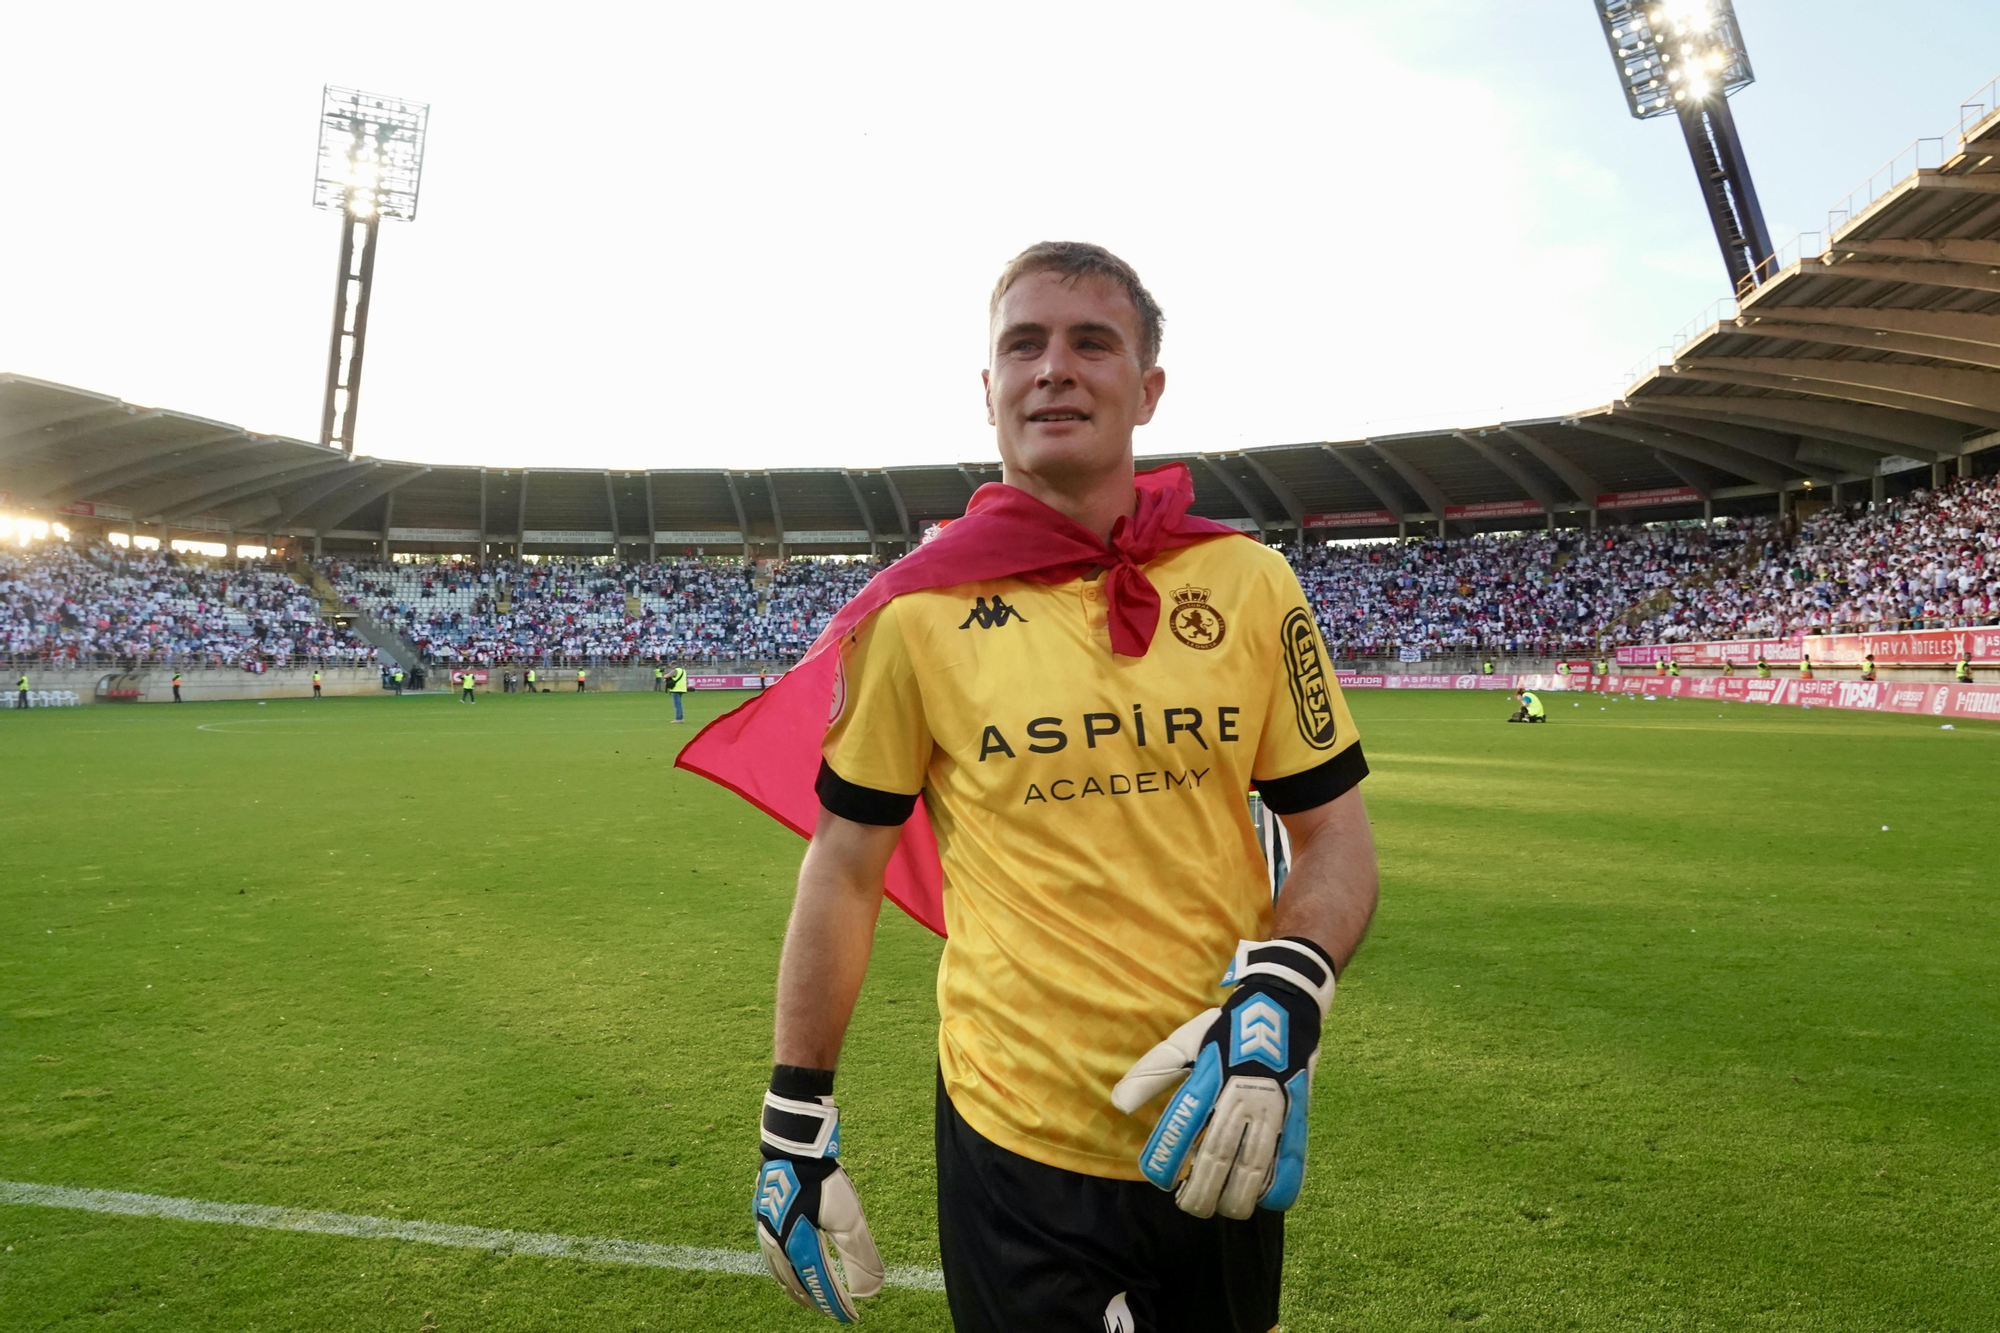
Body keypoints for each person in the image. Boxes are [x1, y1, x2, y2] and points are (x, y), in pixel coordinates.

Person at [746, 243, 1379, 1332]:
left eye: (1092, 343)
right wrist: (794, 1113)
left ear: (1148, 388)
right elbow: (843, 867)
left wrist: (1284, 994)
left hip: (1227, 1096)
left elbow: (1335, 838)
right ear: (988, 387)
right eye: (1023, 345)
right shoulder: (913, 614)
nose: (1053, 369)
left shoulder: (1249, 583)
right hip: (1015, 1137)